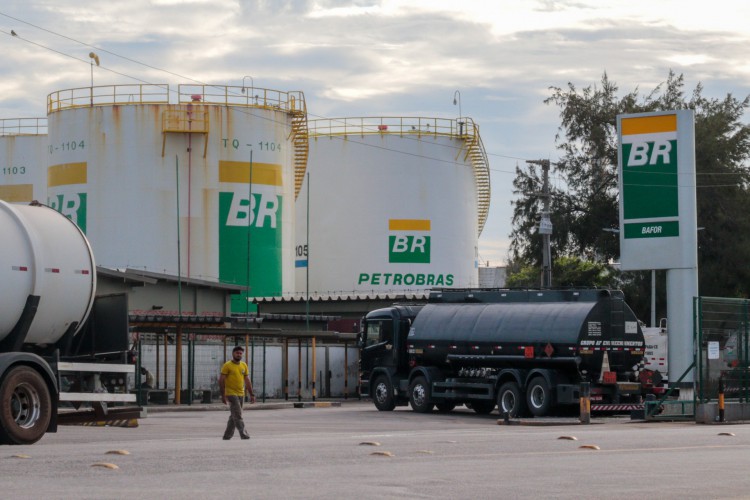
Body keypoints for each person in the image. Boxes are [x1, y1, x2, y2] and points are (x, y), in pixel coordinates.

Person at [219, 346, 255, 440]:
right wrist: (223, 395)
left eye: (240, 353)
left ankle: (227, 436)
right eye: (237, 353)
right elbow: (221, 380)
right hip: (231, 393)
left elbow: (247, 380)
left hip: (241, 393)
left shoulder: (244, 365)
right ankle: (244, 434)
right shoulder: (227, 365)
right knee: (238, 415)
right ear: (233, 354)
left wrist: (251, 394)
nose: (239, 355)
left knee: (234, 415)